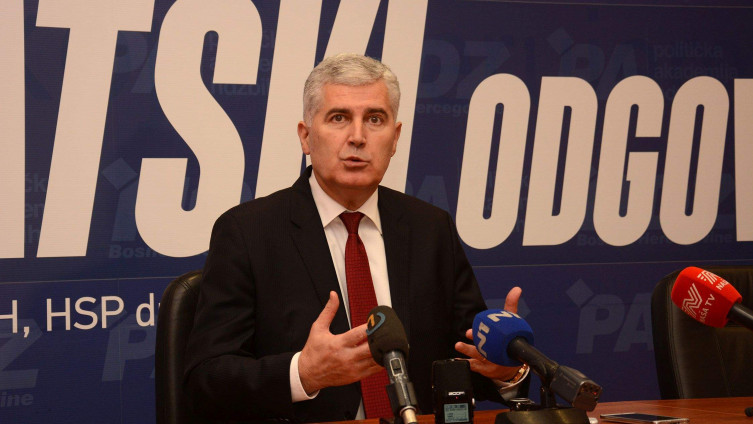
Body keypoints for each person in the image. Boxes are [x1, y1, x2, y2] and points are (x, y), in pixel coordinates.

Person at [184, 53, 527, 423]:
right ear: (305, 136)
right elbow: (206, 380)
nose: (358, 137)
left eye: (375, 119)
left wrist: (505, 368)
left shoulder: (430, 229)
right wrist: (304, 373)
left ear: (395, 139)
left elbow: (470, 363)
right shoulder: (248, 232)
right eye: (339, 118)